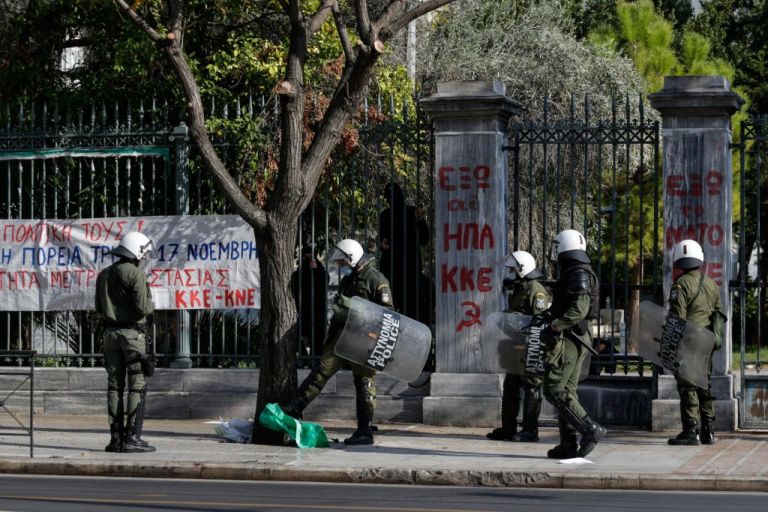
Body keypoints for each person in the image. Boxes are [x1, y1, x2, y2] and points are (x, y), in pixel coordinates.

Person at [283, 238, 393, 445]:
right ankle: (294, 409)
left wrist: (357, 309)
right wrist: (329, 335)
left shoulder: (376, 280)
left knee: (364, 383)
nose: (340, 264)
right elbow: (338, 313)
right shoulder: (348, 281)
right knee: (320, 371)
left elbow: (388, 314)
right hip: (341, 337)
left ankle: (364, 431)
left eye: (343, 260)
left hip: (364, 340)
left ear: (352, 257)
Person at [534, 229, 607, 458]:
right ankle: (568, 444)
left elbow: (579, 309)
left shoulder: (578, 273)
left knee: (554, 388)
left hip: (570, 338)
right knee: (566, 391)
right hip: (573, 336)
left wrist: (556, 325)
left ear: (564, 247)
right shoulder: (575, 272)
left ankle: (590, 429)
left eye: (557, 246)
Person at [95, 230, 156, 453]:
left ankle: (115, 439)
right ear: (136, 252)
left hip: (109, 336)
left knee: (114, 386)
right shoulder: (136, 274)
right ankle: (131, 437)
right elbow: (143, 307)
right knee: (137, 385)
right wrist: (151, 304)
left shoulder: (103, 274)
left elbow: (99, 307)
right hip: (132, 336)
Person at [487, 251, 551, 442]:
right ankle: (508, 427)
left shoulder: (536, 290)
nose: (513, 272)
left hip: (530, 346)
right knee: (511, 385)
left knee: (531, 386)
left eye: (515, 269)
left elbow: (540, 320)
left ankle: (530, 430)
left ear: (523, 269)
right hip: (516, 345)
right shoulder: (523, 287)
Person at [667, 239, 723, 446]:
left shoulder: (681, 284)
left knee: (688, 385)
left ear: (679, 260)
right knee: (704, 383)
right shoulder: (711, 284)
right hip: (708, 339)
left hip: (689, 339)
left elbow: (677, 318)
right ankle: (709, 430)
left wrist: (670, 343)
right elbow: (718, 313)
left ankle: (691, 430)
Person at [378, 182, 430, 322]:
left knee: (398, 308)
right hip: (400, 269)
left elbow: (424, 238)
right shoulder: (387, 215)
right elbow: (425, 239)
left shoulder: (409, 213)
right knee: (403, 308)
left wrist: (420, 220)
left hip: (402, 269)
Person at [291, 244, 329, 360]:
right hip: (302, 310)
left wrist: (316, 270)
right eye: (305, 257)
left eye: (310, 257)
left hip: (317, 310)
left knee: (317, 339)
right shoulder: (299, 273)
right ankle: (304, 358)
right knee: (296, 335)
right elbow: (295, 283)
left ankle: (314, 361)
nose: (308, 260)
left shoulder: (320, 271)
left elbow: (325, 282)